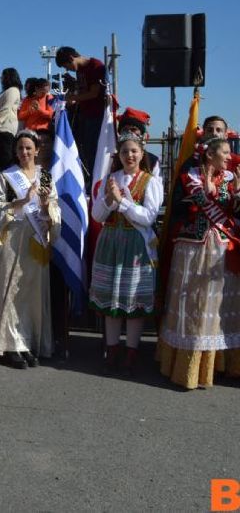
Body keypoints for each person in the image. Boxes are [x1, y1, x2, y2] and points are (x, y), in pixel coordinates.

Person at [159, 137, 240, 389]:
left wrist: (237, 191)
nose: (229, 157)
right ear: (210, 155)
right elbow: (191, 204)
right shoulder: (191, 174)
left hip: (221, 247)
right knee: (195, 301)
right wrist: (204, 189)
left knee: (218, 305)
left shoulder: (230, 177)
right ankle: (188, 368)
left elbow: (232, 210)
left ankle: (222, 364)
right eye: (225, 152)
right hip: (195, 247)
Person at [0, 130, 61, 368]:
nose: (24, 152)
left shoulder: (45, 177)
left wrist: (46, 207)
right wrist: (23, 201)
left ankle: (28, 341)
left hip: (35, 239)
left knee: (31, 292)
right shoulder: (8, 176)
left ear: (37, 150)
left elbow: (53, 210)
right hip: (12, 238)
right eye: (20, 148)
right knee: (10, 290)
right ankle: (11, 345)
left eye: (28, 148)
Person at [90, 133, 162, 375]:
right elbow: (98, 216)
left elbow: (148, 217)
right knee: (111, 297)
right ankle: (112, 350)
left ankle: (131, 351)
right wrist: (110, 201)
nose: (129, 156)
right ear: (118, 156)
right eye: (124, 152)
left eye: (133, 151)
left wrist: (122, 202)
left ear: (142, 154)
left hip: (135, 246)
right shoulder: (111, 178)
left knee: (132, 300)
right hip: (110, 242)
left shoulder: (151, 181)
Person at [55, 46, 106, 179]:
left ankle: (95, 180)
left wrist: (72, 98)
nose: (68, 69)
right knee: (83, 148)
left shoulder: (95, 66)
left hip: (96, 114)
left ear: (72, 58)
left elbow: (94, 93)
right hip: (84, 114)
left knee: (92, 150)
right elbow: (83, 91)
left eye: (67, 65)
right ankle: (87, 178)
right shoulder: (80, 70)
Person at [0, 68, 22, 170]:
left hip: (5, 127)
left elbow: (6, 109)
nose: (0, 78)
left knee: (6, 158)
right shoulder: (4, 92)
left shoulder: (13, 90)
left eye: (2, 75)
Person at [116, 107, 160, 177]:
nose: (129, 133)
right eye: (125, 129)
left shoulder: (152, 161)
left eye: (133, 129)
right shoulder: (111, 160)